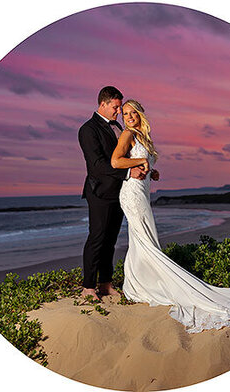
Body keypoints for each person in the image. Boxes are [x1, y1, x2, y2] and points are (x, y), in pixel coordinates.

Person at [111, 99, 230, 352]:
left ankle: (139, 282)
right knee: (145, 240)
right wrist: (140, 164)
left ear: (140, 114)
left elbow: (139, 162)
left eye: (132, 113)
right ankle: (141, 285)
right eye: (125, 113)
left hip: (141, 191)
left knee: (145, 240)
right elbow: (116, 162)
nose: (128, 117)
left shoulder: (141, 136)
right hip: (130, 194)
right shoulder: (128, 134)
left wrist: (152, 171)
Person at [78, 87, 159, 301]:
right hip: (100, 192)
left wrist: (145, 168)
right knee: (97, 238)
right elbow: (97, 165)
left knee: (111, 239)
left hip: (120, 191)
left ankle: (105, 283)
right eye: (115, 107)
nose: (118, 112)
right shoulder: (88, 129)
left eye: (119, 108)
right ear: (102, 104)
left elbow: (126, 154)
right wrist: (128, 170)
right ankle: (88, 287)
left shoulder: (117, 126)